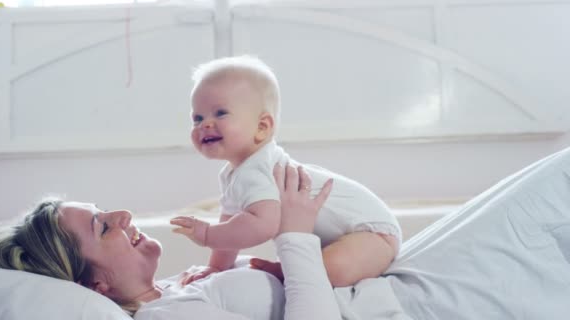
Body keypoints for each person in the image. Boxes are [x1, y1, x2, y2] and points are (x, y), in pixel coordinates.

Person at [0, 147, 570, 319]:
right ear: (96, 284)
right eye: (103, 227)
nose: (125, 217)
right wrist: (297, 233)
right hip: (416, 307)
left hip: (396, 289)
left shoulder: (178, 289)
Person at [169, 55, 401, 287]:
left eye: (220, 113)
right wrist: (218, 266)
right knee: (312, 264)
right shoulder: (234, 173)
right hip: (342, 239)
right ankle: (285, 270)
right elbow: (231, 219)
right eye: (197, 118)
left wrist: (208, 234)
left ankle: (283, 272)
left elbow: (261, 225)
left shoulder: (258, 168)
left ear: (262, 127)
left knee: (329, 270)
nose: (205, 124)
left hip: (373, 234)